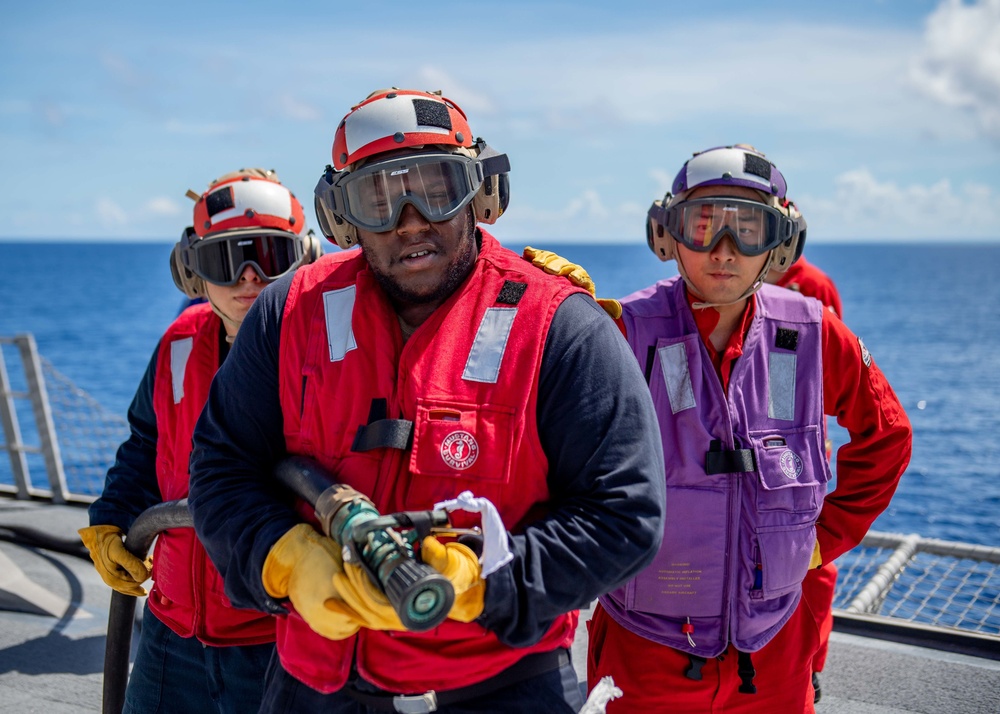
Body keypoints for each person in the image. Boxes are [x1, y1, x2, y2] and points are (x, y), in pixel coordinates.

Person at [186, 88, 666, 713]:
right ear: (341, 217)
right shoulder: (290, 312)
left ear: (480, 193)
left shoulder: (559, 328)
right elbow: (221, 466)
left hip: (498, 691)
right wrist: (283, 559)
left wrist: (488, 578)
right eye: (378, 197)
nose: (411, 219)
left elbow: (626, 515)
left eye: (436, 187)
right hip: (313, 689)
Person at [533, 145, 911, 712]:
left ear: (778, 244)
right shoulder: (623, 331)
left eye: (748, 230)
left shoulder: (811, 331)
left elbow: (887, 437)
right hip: (646, 642)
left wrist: (824, 540)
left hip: (773, 646)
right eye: (703, 226)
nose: (724, 252)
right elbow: (551, 460)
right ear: (667, 235)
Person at [80, 168, 322, 713]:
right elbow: (146, 443)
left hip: (276, 637)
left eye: (269, 255)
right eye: (225, 260)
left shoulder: (328, 357)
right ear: (192, 269)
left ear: (304, 259)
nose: (248, 279)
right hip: (171, 634)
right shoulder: (179, 343)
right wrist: (115, 516)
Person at [765, 198, 843, 705]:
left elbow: (827, 372)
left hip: (798, 439)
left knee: (810, 564)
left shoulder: (812, 288)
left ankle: (808, 664)